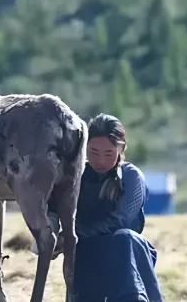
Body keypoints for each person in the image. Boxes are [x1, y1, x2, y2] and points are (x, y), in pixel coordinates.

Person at [39, 113, 163, 302]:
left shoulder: (131, 177)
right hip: (86, 255)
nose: (101, 160)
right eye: (94, 152)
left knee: (125, 237)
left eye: (108, 153)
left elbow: (122, 220)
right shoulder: (74, 176)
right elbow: (53, 209)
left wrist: (72, 234)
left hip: (125, 256)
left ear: (121, 150)